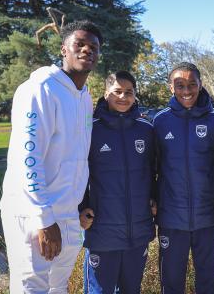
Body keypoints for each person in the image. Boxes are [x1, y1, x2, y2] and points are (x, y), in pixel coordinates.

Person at [0, 20, 102, 293]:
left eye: (93, 47)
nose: (86, 50)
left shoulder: (84, 97)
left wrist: (77, 208)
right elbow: (27, 159)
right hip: (33, 212)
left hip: (68, 213)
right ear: (63, 49)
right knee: (31, 287)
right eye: (79, 44)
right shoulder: (40, 89)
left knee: (58, 287)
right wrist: (43, 219)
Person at [153, 62, 214, 294]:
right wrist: (153, 201)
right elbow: (150, 169)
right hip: (171, 218)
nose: (186, 91)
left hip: (207, 217)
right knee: (171, 281)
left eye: (192, 85)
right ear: (170, 88)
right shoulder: (159, 121)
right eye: (180, 85)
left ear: (200, 85)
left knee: (207, 281)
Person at [79, 71, 156, 293]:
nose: (123, 97)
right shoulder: (90, 129)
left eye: (128, 92)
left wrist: (155, 199)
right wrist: (81, 208)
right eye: (117, 92)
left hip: (138, 230)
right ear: (106, 94)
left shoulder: (146, 129)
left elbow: (154, 171)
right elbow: (79, 173)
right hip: (102, 230)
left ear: (135, 95)